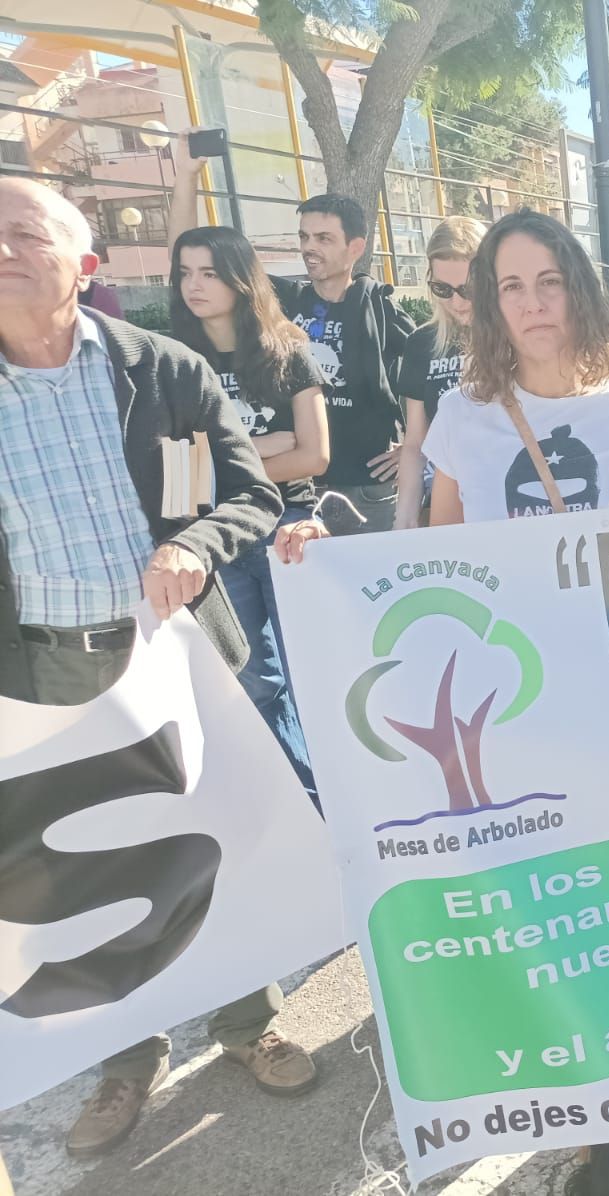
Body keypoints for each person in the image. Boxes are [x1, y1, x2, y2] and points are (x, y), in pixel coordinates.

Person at [0, 179, 315, 1157]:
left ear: (84, 266)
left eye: (24, 230)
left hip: (175, 663)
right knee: (73, 874)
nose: (3, 245)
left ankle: (243, 1022)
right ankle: (124, 1061)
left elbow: (254, 491)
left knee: (208, 836)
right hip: (39, 679)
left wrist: (198, 544)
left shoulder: (164, 369)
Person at [276, 209, 609, 556]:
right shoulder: (460, 413)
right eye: (512, 287)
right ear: (494, 306)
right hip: (513, 660)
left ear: (581, 291)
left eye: (551, 282)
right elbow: (446, 567)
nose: (534, 304)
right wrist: (326, 556)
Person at [169, 131, 413, 531]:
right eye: (304, 237)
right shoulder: (280, 298)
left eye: (323, 238)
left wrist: (418, 448)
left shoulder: (379, 306)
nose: (308, 247)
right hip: (290, 486)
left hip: (363, 485)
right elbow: (193, 256)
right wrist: (187, 177)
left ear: (355, 248)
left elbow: (433, 378)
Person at [168, 224, 328, 803]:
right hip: (217, 541)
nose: (195, 285)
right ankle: (302, 802)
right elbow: (178, 479)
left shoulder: (287, 350)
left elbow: (315, 454)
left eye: (209, 272)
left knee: (316, 676)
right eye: (185, 272)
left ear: (240, 277)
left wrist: (221, 459)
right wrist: (264, 447)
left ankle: (343, 800)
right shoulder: (173, 364)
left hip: (292, 531)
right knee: (254, 680)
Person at [395, 216, 484, 530]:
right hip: (444, 500)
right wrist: (404, 518)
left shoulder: (517, 339)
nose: (456, 302)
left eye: (467, 289)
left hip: (503, 495)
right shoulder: (422, 343)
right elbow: (415, 443)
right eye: (442, 289)